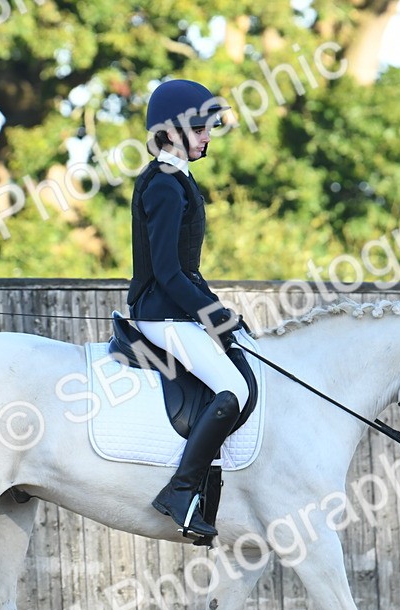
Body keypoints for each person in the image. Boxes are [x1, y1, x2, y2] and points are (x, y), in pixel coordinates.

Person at [127, 79, 250, 540]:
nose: (207, 137)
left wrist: (218, 310)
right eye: (199, 129)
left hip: (176, 310)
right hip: (160, 314)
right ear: (172, 131)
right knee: (232, 390)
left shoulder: (178, 179)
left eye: (208, 128)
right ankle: (179, 493)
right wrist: (210, 315)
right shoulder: (162, 185)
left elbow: (188, 270)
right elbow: (166, 272)